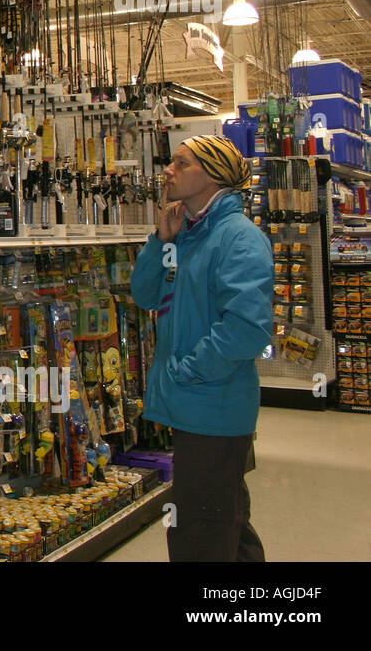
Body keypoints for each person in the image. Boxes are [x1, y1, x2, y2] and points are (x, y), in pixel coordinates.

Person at [131, 135, 272, 562]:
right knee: (227, 522)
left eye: (180, 163)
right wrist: (161, 240)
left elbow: (247, 329)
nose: (167, 171)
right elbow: (145, 295)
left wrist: (190, 371)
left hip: (213, 405)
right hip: (197, 407)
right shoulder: (187, 236)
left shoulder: (237, 238)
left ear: (212, 175)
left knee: (199, 532)